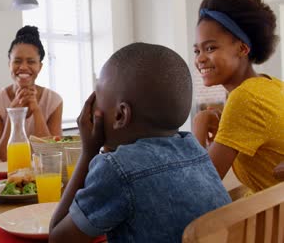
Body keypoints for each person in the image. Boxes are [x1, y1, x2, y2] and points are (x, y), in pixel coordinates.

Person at [49, 43, 231, 243]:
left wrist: (88, 151)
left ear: (120, 115)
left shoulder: (116, 170)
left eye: (97, 97)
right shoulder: (195, 149)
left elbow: (58, 238)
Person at [192, 0, 284, 193]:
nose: (201, 59)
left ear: (242, 48)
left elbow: (199, 190)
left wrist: (199, 126)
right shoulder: (272, 85)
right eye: (197, 51)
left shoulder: (245, 98)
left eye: (211, 48)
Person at [0, 26, 63, 162]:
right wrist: (13, 114)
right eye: (17, 61)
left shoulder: (54, 101)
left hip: (42, 174)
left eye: (31, 61)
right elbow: (2, 156)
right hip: (6, 175)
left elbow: (51, 154)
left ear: (40, 66)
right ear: (9, 63)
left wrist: (37, 111)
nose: (23, 67)